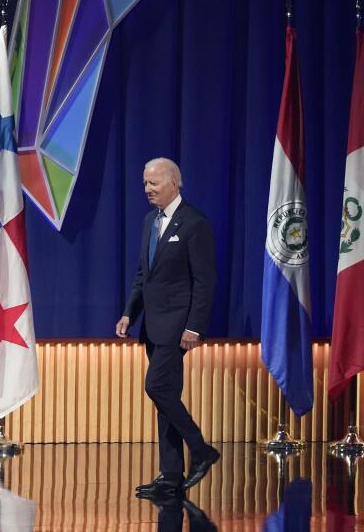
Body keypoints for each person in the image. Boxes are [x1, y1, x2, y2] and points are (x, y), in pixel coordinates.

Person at [116, 158, 219, 498]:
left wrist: (194, 327)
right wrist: (130, 313)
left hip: (177, 328)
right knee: (166, 399)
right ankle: (171, 476)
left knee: (157, 387)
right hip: (152, 326)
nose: (147, 189)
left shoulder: (194, 224)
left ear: (175, 182)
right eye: (145, 183)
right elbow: (143, 275)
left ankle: (201, 449)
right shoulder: (150, 221)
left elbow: (204, 283)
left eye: (154, 183)